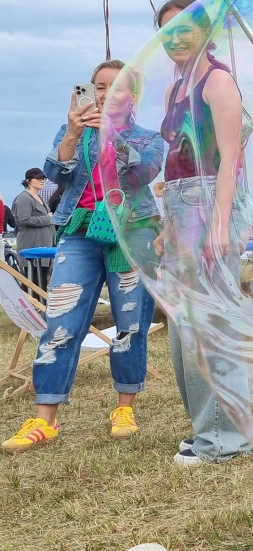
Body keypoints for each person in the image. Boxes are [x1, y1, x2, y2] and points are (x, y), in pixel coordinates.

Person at [2, 60, 163, 453]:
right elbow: (56, 175)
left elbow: (143, 175)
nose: (106, 93)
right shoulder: (73, 131)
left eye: (116, 87)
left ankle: (124, 408)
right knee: (61, 320)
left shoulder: (148, 137)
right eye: (98, 87)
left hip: (131, 232)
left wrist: (113, 137)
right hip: (78, 231)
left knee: (130, 324)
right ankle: (45, 419)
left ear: (133, 96)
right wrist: (74, 133)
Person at [156, 0, 253, 466]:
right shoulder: (176, 89)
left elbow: (231, 158)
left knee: (211, 325)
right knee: (183, 328)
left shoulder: (217, 81)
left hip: (211, 201)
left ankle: (224, 438)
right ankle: (207, 428)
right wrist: (166, 227)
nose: (175, 38)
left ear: (204, 32)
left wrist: (219, 221)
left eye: (184, 28)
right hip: (180, 207)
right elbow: (176, 162)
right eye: (165, 31)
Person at [12, 167, 56, 290]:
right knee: (32, 282)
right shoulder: (24, 198)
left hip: (44, 248)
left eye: (43, 178)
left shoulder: (40, 198)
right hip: (31, 247)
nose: (42, 180)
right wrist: (47, 219)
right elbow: (24, 220)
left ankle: (40, 307)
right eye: (38, 178)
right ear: (28, 181)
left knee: (41, 282)